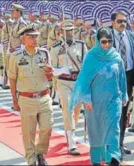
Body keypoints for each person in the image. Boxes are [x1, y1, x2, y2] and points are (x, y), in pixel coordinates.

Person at [68, 27, 128, 166]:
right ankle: (97, 159)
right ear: (98, 41)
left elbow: (122, 78)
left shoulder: (116, 57)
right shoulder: (91, 57)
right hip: (94, 101)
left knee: (113, 129)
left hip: (114, 100)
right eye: (103, 42)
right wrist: (87, 98)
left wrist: (124, 95)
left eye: (109, 41)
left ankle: (113, 158)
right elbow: (84, 80)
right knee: (97, 130)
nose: (106, 45)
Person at [8, 24, 54, 166]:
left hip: (44, 96)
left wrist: (50, 72)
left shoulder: (44, 54)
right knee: (28, 133)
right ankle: (31, 159)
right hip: (26, 98)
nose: (34, 39)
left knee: (47, 127)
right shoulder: (15, 57)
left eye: (36, 36)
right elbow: (12, 78)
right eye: (31, 37)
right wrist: (14, 100)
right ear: (23, 40)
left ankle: (40, 152)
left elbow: (51, 77)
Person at [110, 10, 134, 156]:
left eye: (125, 21)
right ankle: (110, 145)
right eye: (119, 21)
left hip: (129, 77)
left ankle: (119, 144)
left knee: (124, 112)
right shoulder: (106, 36)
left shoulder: (132, 36)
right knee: (112, 113)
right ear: (113, 22)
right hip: (111, 79)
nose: (123, 24)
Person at [50, 20, 88, 156]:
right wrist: (61, 70)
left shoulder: (82, 46)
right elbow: (52, 68)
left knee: (76, 111)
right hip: (64, 82)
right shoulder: (56, 48)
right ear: (61, 32)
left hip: (78, 82)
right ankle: (72, 142)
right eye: (66, 31)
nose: (69, 33)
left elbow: (87, 64)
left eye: (71, 30)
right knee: (68, 109)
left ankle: (70, 130)